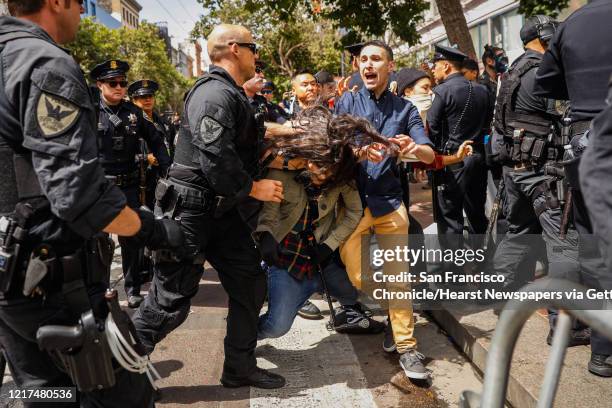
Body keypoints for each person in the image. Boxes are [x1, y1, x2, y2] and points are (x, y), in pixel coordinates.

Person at [0, 1, 182, 406]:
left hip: (12, 273)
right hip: (48, 276)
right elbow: (76, 195)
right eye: (80, 4)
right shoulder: (44, 64)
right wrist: (152, 229)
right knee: (122, 395)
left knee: (46, 394)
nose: (82, 13)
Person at [133, 24, 287, 389]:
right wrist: (254, 187)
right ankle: (114, 375)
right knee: (169, 300)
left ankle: (238, 366)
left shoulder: (229, 93)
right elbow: (213, 155)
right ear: (235, 49)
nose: (257, 55)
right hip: (190, 210)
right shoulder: (214, 93)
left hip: (220, 209)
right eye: (253, 48)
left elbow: (240, 139)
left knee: (249, 282)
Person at [336, 40, 435, 380]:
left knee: (399, 278)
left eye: (376, 59)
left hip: (391, 203)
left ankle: (407, 346)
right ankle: (396, 313)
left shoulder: (405, 109)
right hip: (352, 205)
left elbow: (428, 154)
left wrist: (412, 147)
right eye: (363, 59)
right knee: (357, 274)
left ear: (390, 66)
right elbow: (333, 148)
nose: (368, 64)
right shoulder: (346, 102)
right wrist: (355, 151)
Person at [488, 15, 589, 345]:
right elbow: (567, 114)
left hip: (516, 172)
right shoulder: (544, 71)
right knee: (563, 244)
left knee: (518, 235)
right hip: (544, 173)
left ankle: (500, 296)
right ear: (547, 37)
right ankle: (563, 326)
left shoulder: (515, 69)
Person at [256, 107, 386, 338]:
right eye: (317, 165)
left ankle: (349, 313)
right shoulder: (280, 170)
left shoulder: (341, 170)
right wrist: (266, 235)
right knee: (277, 327)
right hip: (288, 260)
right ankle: (244, 338)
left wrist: (329, 246)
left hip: (323, 260)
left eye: (329, 168)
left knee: (352, 291)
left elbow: (354, 211)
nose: (322, 173)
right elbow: (269, 213)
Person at [535, 0, 612, 377]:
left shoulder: (574, 22)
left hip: (586, 141)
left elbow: (545, 82)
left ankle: (603, 350)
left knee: (595, 250)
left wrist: (584, 89)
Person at [92, 60, 172, 308]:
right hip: (98, 188)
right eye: (112, 83)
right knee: (98, 243)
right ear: (99, 84)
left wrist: (166, 166)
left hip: (128, 187)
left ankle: (132, 289)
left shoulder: (134, 114)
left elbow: (157, 140)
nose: (119, 87)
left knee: (132, 240)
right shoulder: (90, 111)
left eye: (122, 83)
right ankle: (99, 290)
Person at [427, 44, 492, 255]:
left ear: (446, 66)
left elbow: (433, 128)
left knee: (450, 219)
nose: (432, 70)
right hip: (479, 157)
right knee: (477, 214)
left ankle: (454, 274)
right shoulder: (483, 90)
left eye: (435, 66)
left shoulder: (441, 91)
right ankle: (482, 263)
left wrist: (434, 160)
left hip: (452, 161)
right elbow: (488, 123)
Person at [129, 79, 173, 209]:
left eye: (150, 96)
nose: (147, 100)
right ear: (134, 100)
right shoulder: (130, 123)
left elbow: (170, 146)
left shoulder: (163, 122)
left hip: (162, 178)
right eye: (142, 97)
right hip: (140, 181)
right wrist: (145, 158)